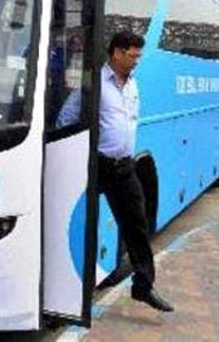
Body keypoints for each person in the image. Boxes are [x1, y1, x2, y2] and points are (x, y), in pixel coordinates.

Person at [57, 31, 174, 312]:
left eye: (139, 56)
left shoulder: (132, 84)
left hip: (124, 167)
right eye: (133, 55)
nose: (137, 61)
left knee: (137, 224)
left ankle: (143, 286)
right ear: (117, 53)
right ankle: (70, 286)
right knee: (79, 219)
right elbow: (67, 118)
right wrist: (75, 154)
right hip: (97, 165)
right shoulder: (95, 84)